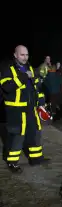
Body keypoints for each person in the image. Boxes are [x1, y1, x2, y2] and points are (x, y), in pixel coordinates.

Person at [0, 45, 50, 173]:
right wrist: (24, 77)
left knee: (35, 133)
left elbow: (36, 87)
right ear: (15, 55)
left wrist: (41, 103)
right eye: (22, 55)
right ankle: (12, 162)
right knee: (17, 136)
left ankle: (36, 158)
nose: (25, 57)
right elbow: (6, 87)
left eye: (26, 55)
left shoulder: (29, 68)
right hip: (16, 110)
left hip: (30, 109)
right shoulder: (7, 68)